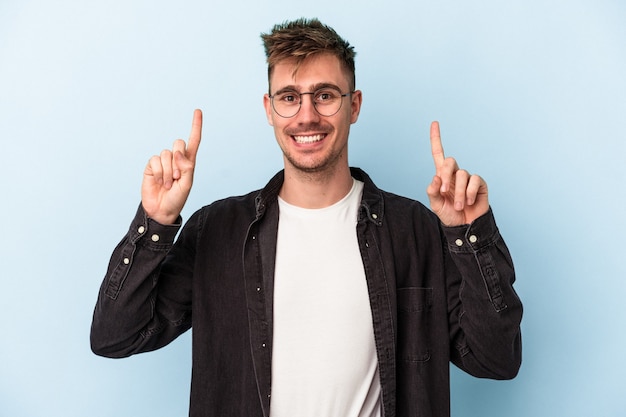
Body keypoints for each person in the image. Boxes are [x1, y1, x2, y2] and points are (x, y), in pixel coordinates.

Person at [90, 17, 522, 417]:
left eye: (325, 95)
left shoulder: (415, 230)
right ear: (269, 109)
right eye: (289, 98)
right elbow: (116, 336)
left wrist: (471, 234)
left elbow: (496, 359)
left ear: (353, 106)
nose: (307, 115)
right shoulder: (216, 231)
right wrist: (155, 222)